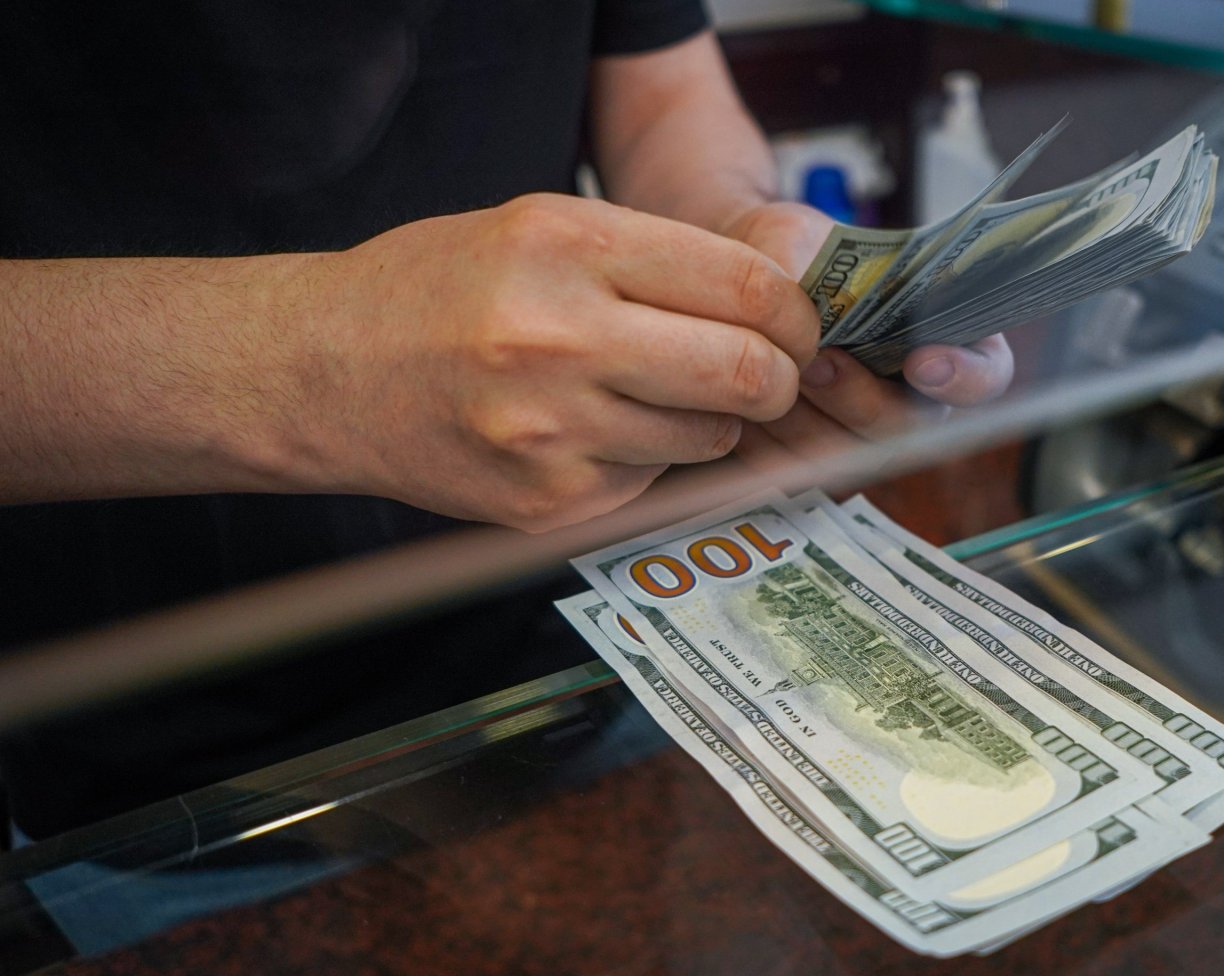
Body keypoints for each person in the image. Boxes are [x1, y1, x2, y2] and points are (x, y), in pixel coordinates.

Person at [0, 1, 1013, 842]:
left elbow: (663, 95)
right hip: (126, 767)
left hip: (579, 659)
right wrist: (311, 362)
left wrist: (738, 246)